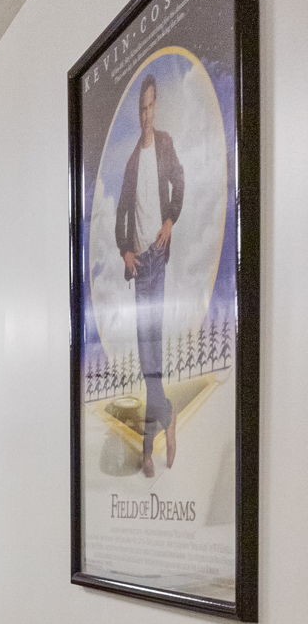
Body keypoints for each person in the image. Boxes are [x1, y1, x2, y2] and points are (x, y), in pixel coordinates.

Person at [114, 74, 185, 477]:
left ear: (156, 107)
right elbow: (121, 213)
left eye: (150, 106)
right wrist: (125, 250)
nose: (146, 114)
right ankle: (167, 419)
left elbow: (180, 182)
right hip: (140, 264)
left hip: (159, 256)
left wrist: (170, 219)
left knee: (152, 356)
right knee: (147, 359)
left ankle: (146, 448)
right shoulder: (131, 162)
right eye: (141, 108)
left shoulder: (165, 145)